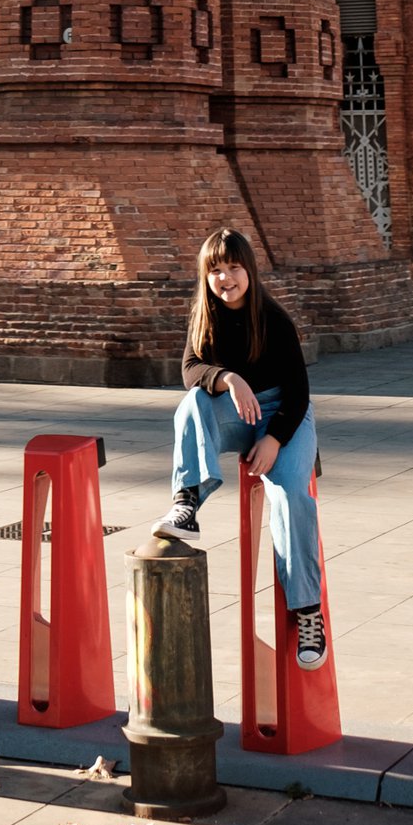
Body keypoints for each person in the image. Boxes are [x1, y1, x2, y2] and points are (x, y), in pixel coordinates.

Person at [153, 228, 328, 673]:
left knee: (290, 496)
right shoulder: (204, 316)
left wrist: (274, 439)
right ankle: (187, 503)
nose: (225, 278)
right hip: (238, 410)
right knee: (193, 404)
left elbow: (299, 392)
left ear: (249, 270)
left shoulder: (274, 319)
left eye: (233, 268)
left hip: (284, 415)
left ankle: (308, 612)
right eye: (216, 270)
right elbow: (190, 371)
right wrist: (229, 378)